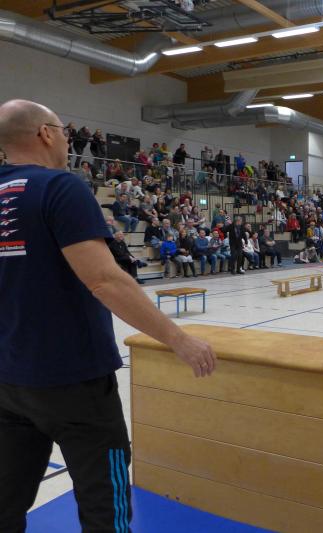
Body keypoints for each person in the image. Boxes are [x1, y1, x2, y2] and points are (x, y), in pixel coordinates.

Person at [0, 99, 216, 533]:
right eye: (63, 131)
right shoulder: (60, 187)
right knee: (106, 508)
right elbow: (104, 281)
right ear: (45, 133)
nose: (66, 140)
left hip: (7, 382)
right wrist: (178, 339)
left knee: (5, 504)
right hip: (75, 382)